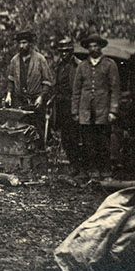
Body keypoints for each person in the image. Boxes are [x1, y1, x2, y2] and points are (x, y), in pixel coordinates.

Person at [72, 33, 120, 182]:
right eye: (90, 46)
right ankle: (92, 171)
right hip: (85, 110)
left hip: (103, 110)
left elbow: (115, 89)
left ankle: (105, 171)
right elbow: (76, 91)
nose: (93, 49)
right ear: (87, 49)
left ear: (100, 47)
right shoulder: (82, 66)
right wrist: (75, 111)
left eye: (95, 46)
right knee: (88, 143)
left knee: (103, 142)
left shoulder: (109, 65)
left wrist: (113, 110)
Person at [52, 37, 82, 176]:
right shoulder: (59, 66)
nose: (64, 54)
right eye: (61, 51)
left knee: (75, 136)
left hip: (75, 105)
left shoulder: (79, 66)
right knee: (65, 137)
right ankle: (72, 163)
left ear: (71, 51)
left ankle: (78, 166)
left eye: (66, 51)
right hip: (61, 106)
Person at [3, 30, 53, 111]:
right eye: (19, 43)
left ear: (30, 43)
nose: (21, 46)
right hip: (19, 101)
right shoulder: (14, 60)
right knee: (19, 123)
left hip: (35, 102)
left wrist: (41, 97)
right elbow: (11, 80)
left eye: (24, 43)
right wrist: (8, 95)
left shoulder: (40, 59)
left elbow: (47, 82)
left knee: (35, 123)